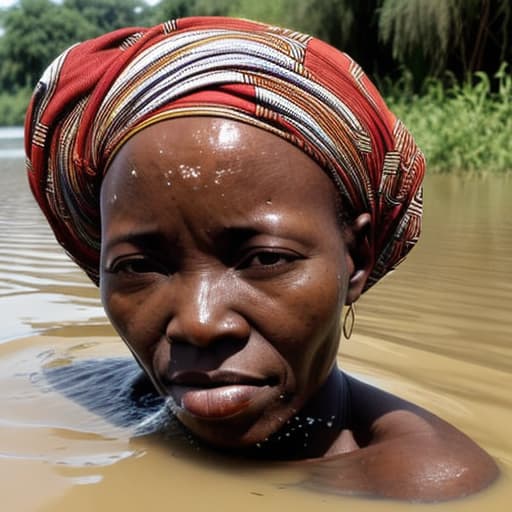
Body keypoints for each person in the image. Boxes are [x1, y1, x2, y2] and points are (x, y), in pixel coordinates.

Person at [24, 16, 498, 501]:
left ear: (356, 259)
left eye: (266, 259)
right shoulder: (115, 394)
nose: (199, 324)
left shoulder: (419, 485)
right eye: (137, 267)